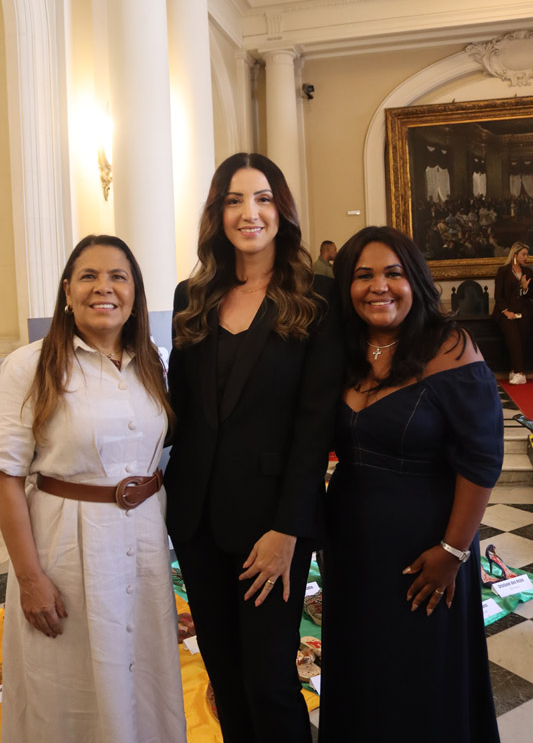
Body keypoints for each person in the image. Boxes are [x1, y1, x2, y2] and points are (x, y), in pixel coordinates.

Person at [164, 152, 344, 743]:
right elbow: (180, 412)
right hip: (197, 520)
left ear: (281, 210)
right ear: (217, 214)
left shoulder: (316, 295)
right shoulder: (191, 297)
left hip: (272, 524)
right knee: (225, 675)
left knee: (269, 680)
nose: (249, 213)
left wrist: (289, 527)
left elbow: (315, 423)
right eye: (235, 200)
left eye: (263, 198)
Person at [319, 226, 503, 743]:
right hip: (352, 546)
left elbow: (483, 459)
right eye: (363, 275)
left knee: (421, 675)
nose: (380, 287)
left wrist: (453, 551)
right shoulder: (346, 351)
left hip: (426, 548)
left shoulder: (450, 347)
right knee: (361, 669)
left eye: (393, 273)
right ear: (346, 287)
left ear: (415, 280)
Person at [0, 235, 186, 743]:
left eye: (118, 277)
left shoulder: (156, 361)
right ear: (67, 290)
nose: (103, 288)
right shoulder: (29, 366)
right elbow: (6, 478)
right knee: (67, 683)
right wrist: (31, 578)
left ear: (135, 293)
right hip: (64, 549)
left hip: (144, 544)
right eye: (89, 276)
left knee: (140, 678)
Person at [492, 240, 533, 384]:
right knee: (513, 339)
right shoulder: (503, 271)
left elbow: (527, 294)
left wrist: (524, 288)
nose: (526, 257)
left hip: (523, 312)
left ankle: (514, 370)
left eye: (527, 254)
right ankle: (520, 373)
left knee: (521, 341)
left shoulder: (528, 271)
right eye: (523, 254)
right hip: (506, 313)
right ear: (515, 254)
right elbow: (498, 295)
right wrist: (506, 312)